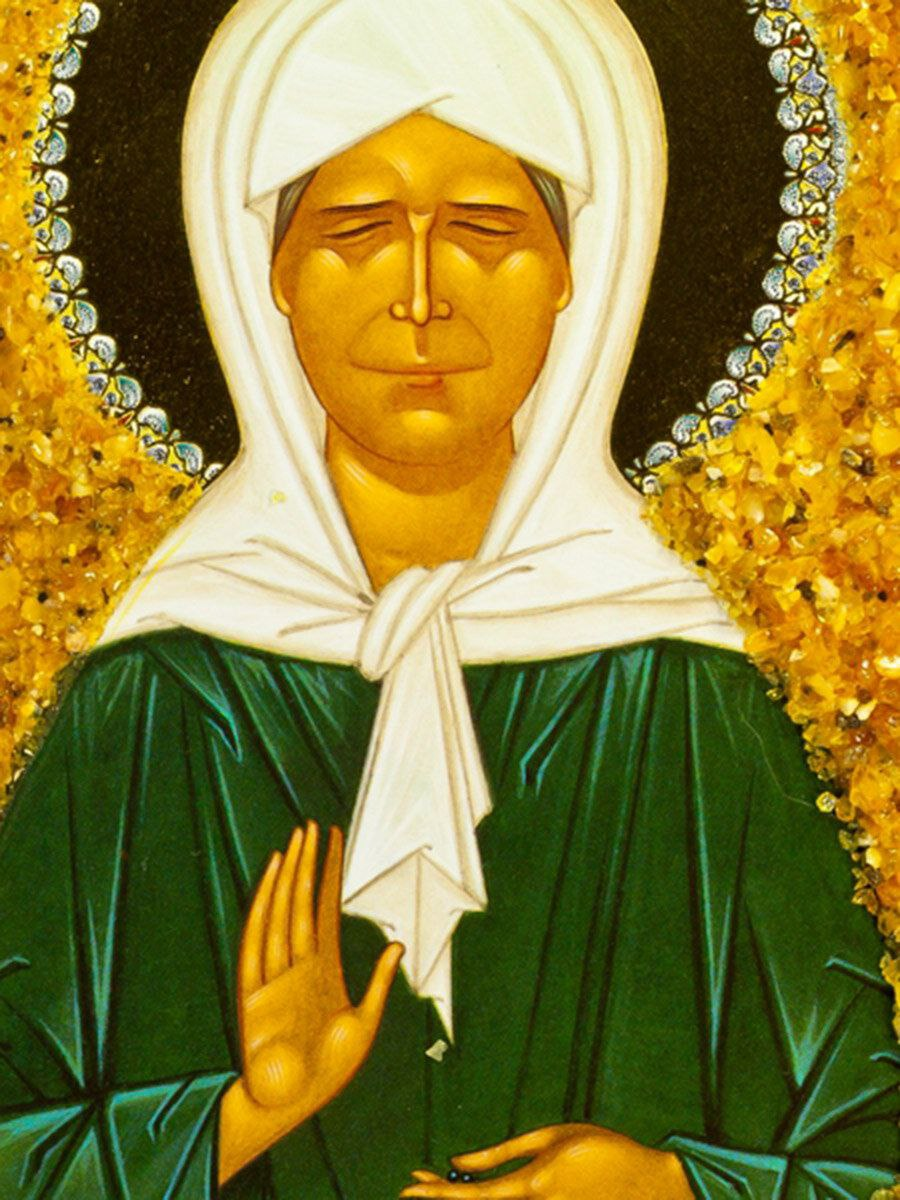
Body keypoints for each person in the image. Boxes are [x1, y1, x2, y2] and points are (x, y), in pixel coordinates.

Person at [0, 0, 896, 1197]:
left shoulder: (693, 706)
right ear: (267, 269)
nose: (420, 295)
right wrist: (238, 1117)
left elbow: (867, 1150)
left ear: (580, 267)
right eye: (357, 230)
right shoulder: (151, 702)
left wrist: (665, 1189)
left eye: (485, 230)